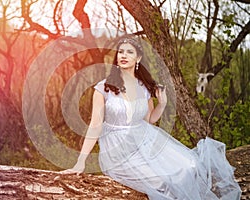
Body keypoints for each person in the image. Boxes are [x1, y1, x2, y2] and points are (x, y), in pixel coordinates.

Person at [61, 35, 241, 200]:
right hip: (118, 150)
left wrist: (162, 104)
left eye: (129, 52)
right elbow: (95, 124)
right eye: (121, 52)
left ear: (138, 58)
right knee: (162, 182)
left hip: (145, 140)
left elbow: (149, 120)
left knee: (189, 167)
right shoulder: (104, 87)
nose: (123, 55)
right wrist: (80, 162)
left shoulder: (145, 87)